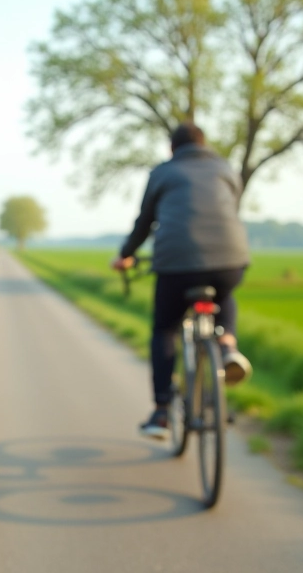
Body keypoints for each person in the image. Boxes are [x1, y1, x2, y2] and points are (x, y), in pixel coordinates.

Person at [111, 120, 253, 439]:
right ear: (204, 144)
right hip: (230, 257)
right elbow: (230, 208)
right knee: (223, 294)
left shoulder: (163, 172)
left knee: (165, 329)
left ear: (172, 148)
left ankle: (161, 411)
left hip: (177, 263)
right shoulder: (226, 169)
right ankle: (227, 347)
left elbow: (145, 221)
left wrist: (125, 254)